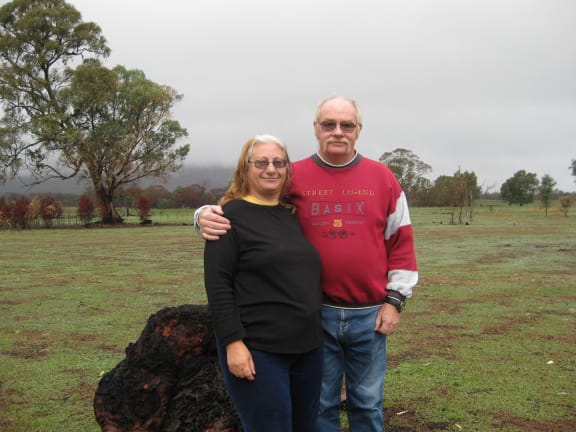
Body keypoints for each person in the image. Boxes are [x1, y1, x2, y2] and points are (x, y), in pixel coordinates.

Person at [197, 97, 418, 432]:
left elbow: (400, 240)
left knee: (368, 403)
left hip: (369, 315)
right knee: (320, 407)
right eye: (328, 124)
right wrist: (202, 216)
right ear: (316, 129)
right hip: (320, 316)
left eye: (347, 125)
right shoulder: (292, 175)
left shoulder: (383, 177)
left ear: (359, 130)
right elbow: (250, 206)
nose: (338, 132)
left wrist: (395, 301)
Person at [203, 134, 324, 432]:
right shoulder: (227, 217)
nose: (271, 169)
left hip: (308, 349)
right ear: (246, 169)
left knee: (305, 427)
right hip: (259, 351)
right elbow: (218, 286)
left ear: (287, 169)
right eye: (262, 162)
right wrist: (233, 343)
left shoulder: (292, 215)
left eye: (278, 162)